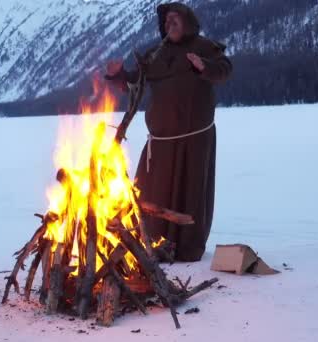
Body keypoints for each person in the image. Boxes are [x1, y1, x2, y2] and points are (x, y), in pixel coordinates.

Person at [106, 2, 232, 262]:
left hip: (195, 138)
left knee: (191, 190)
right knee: (153, 192)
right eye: (166, 21)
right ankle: (153, 244)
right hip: (161, 140)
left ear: (188, 22)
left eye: (175, 19)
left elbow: (224, 69)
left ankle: (188, 249)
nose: (169, 24)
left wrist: (204, 66)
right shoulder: (156, 54)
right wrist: (119, 76)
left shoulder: (204, 46)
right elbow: (135, 82)